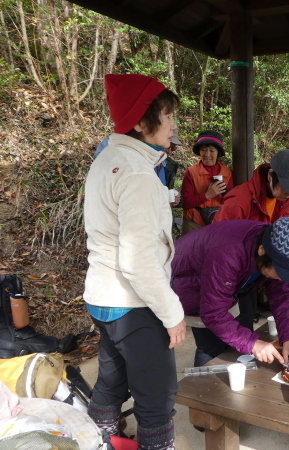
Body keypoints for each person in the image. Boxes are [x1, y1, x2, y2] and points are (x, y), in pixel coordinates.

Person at [83, 74, 186, 450]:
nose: (174, 124)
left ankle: (98, 440)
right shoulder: (138, 172)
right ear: (142, 123)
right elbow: (139, 257)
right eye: (168, 115)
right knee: (156, 396)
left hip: (102, 294)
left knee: (112, 380)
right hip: (132, 302)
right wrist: (172, 312)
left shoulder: (108, 157)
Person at [171, 217, 289, 369]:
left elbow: (282, 296)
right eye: (280, 272)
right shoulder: (227, 254)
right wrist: (253, 343)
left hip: (226, 283)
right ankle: (200, 387)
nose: (282, 279)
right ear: (262, 251)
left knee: (233, 343)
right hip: (187, 283)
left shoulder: (277, 249)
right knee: (211, 347)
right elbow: (213, 313)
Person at [213, 149, 289, 224]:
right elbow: (220, 238)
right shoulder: (239, 202)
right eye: (286, 186)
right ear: (270, 175)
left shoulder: (288, 200)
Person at [180, 130, 234, 235]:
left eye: (212, 150)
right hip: (194, 223)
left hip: (219, 221)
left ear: (218, 152)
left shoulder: (227, 172)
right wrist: (208, 195)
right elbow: (185, 203)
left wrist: (225, 192)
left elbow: (233, 201)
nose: (207, 154)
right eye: (203, 150)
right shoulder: (191, 172)